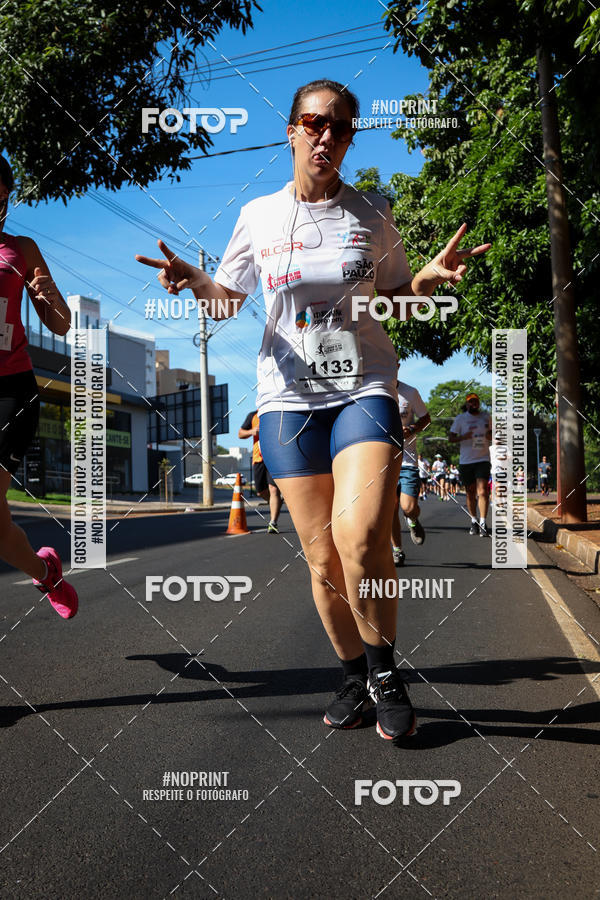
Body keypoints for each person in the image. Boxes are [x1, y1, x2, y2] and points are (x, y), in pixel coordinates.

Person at [136, 79, 490, 741]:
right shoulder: (258, 217)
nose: (327, 136)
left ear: (351, 137)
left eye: (341, 127)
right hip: (288, 399)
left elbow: (394, 296)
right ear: (291, 131)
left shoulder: (371, 211)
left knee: (360, 540)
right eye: (314, 123)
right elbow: (225, 303)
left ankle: (384, 671)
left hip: (364, 386)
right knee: (324, 560)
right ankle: (353, 672)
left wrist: (427, 283)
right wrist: (194, 283)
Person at [0, 156, 78, 618]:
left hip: (10, 389)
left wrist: (49, 299)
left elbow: (62, 324)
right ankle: (46, 572)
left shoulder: (21, 249)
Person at [391, 380, 431, 566]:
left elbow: (426, 418)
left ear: (397, 364)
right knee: (391, 509)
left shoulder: (410, 392)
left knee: (408, 507)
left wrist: (413, 428)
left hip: (407, 460)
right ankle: (397, 551)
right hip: (382, 461)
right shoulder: (374, 388)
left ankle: (413, 520)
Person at [449, 391, 492, 536]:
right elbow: (451, 438)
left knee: (483, 491)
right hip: (466, 461)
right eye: (471, 401)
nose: (474, 404)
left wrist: (489, 436)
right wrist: (463, 437)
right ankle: (473, 520)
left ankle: (483, 522)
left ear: (478, 403)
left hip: (483, 459)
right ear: (467, 404)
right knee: (470, 492)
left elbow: (494, 434)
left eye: (476, 401)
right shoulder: (461, 419)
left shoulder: (486, 417)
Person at [238, 410, 282, 533]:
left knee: (273, 489)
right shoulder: (252, 415)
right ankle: (275, 502)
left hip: (274, 456)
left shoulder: (276, 412)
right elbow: (240, 434)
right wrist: (252, 431)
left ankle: (273, 522)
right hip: (258, 458)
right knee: (260, 491)